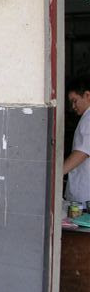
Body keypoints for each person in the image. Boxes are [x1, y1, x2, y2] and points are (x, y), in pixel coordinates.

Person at [63, 74, 90, 203]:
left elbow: (82, 152)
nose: (73, 107)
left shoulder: (89, 119)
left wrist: (57, 174)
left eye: (75, 101)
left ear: (87, 95)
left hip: (84, 194)